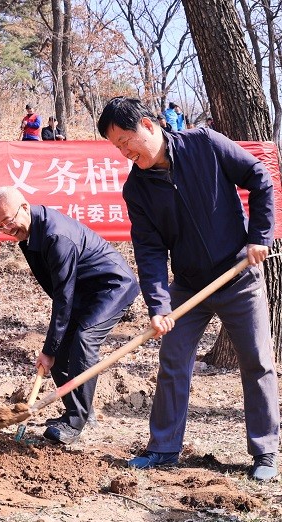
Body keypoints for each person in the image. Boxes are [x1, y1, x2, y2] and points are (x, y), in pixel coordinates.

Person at [97, 96, 279, 481]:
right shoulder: (138, 190)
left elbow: (260, 179)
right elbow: (148, 251)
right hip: (189, 286)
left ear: (149, 125)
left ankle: (265, 451)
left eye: (126, 139)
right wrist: (159, 305)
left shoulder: (205, 144)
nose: (125, 151)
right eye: (117, 147)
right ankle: (163, 448)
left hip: (237, 276)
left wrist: (259, 235)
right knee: (174, 361)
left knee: (258, 361)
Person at [0, 186, 139, 444]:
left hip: (112, 286)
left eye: (8, 221)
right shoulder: (28, 233)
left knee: (84, 339)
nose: (7, 229)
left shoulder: (56, 236)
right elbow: (57, 288)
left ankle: (76, 422)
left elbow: (63, 296)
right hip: (83, 291)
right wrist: (52, 346)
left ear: (24, 207)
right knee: (59, 350)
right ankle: (77, 411)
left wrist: (49, 346)